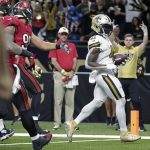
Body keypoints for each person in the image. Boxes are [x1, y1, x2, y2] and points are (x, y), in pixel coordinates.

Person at [1, 1, 68, 149]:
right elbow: (7, 44)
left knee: (24, 104)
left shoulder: (25, 27)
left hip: (18, 65)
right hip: (9, 66)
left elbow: (42, 44)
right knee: (10, 101)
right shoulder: (12, 22)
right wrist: (26, 52)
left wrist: (58, 45)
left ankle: (36, 137)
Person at [65, 14, 140, 142]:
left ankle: (73, 123)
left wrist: (116, 61)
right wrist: (108, 65)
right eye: (105, 27)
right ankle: (124, 133)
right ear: (97, 26)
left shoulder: (103, 39)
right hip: (104, 75)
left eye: (108, 26)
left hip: (104, 74)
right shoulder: (96, 39)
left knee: (98, 101)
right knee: (121, 100)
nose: (108, 29)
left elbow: (104, 58)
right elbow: (88, 63)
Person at [111, 22, 148, 132]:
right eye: (127, 40)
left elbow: (144, 44)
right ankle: (120, 124)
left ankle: (140, 125)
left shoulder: (135, 50)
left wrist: (145, 31)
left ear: (133, 41)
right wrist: (113, 30)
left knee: (136, 101)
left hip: (133, 80)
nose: (128, 41)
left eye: (130, 40)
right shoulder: (119, 48)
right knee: (121, 102)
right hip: (121, 79)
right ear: (124, 41)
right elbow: (111, 41)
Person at [49, 27, 78, 130]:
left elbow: (75, 60)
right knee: (58, 100)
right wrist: (63, 71)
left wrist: (72, 71)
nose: (64, 35)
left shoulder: (72, 46)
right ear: (58, 35)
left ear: (68, 35)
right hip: (59, 74)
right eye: (62, 34)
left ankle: (69, 123)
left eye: (65, 34)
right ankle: (57, 123)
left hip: (70, 74)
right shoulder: (55, 46)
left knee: (70, 101)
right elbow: (53, 61)